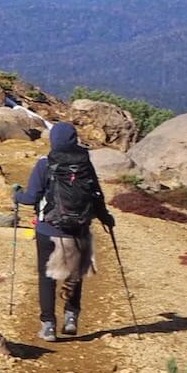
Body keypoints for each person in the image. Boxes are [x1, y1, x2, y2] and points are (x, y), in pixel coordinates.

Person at [13, 121, 117, 342]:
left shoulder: (45, 164)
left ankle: (48, 325)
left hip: (48, 228)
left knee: (47, 277)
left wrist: (16, 195)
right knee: (74, 273)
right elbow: (96, 195)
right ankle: (71, 316)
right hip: (79, 228)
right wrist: (105, 217)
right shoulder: (85, 163)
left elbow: (31, 197)